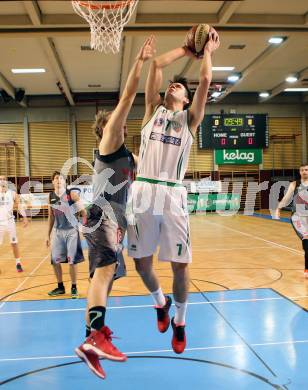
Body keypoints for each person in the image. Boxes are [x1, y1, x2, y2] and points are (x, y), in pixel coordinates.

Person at [127, 27, 220, 354]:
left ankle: (180, 321)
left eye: (181, 86)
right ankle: (160, 302)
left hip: (172, 193)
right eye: (173, 85)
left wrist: (206, 51)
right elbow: (156, 67)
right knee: (141, 263)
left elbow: (206, 81)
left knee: (180, 265)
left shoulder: (190, 120)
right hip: (142, 191)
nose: (174, 86)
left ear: (185, 98)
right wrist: (185, 49)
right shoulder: (152, 112)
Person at [75, 36, 155, 379]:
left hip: (114, 220)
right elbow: (127, 98)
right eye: (119, 123)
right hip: (102, 215)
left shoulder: (127, 155)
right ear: (107, 129)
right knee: (104, 274)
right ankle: (95, 336)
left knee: (101, 280)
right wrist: (139, 62)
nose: (124, 126)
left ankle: (89, 341)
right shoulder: (108, 144)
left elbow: (148, 117)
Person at [47, 171, 86, 299]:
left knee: (72, 261)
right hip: (57, 232)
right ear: (53, 181)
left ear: (65, 181)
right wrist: (47, 235)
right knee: (55, 261)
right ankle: (60, 287)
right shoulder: (51, 196)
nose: (59, 180)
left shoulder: (72, 195)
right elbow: (51, 217)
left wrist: (83, 228)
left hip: (71, 231)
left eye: (61, 178)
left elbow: (84, 213)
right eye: (56, 178)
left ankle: (74, 287)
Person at [275, 163, 308, 277]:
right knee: (306, 237)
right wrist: (278, 208)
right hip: (298, 217)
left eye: (306, 170)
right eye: (302, 170)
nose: (304, 172)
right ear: (299, 172)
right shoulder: (295, 184)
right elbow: (286, 198)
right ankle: (306, 269)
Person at [0, 175, 28, 272]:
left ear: (7, 182)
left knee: (14, 243)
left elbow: (19, 205)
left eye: (4, 179)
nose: (2, 181)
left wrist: (24, 217)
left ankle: (18, 263)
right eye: (0, 179)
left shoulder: (12, 193)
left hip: (10, 222)